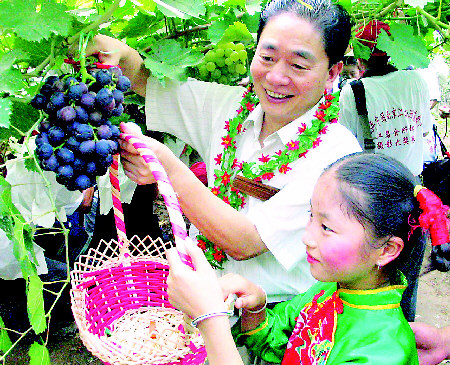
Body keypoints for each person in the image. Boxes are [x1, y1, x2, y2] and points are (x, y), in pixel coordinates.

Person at [86, 0, 361, 310]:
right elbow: (146, 81)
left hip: (273, 326)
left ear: (332, 71)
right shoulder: (230, 108)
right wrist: (116, 51)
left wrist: (170, 172)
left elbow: (245, 242)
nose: (275, 77)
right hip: (204, 307)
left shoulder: (337, 157)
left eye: (298, 66)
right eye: (267, 57)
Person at [167, 153, 450, 365]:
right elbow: (279, 342)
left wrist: (210, 320)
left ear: (387, 250)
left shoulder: (382, 351)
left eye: (326, 228)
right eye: (310, 216)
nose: (307, 237)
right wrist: (257, 308)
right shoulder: (327, 292)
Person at [338, 20, 433, 322]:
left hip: (373, 199)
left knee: (369, 285)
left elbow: (346, 151)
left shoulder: (354, 92)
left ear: (363, 56)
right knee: (408, 281)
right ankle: (407, 342)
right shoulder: (417, 81)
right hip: (417, 195)